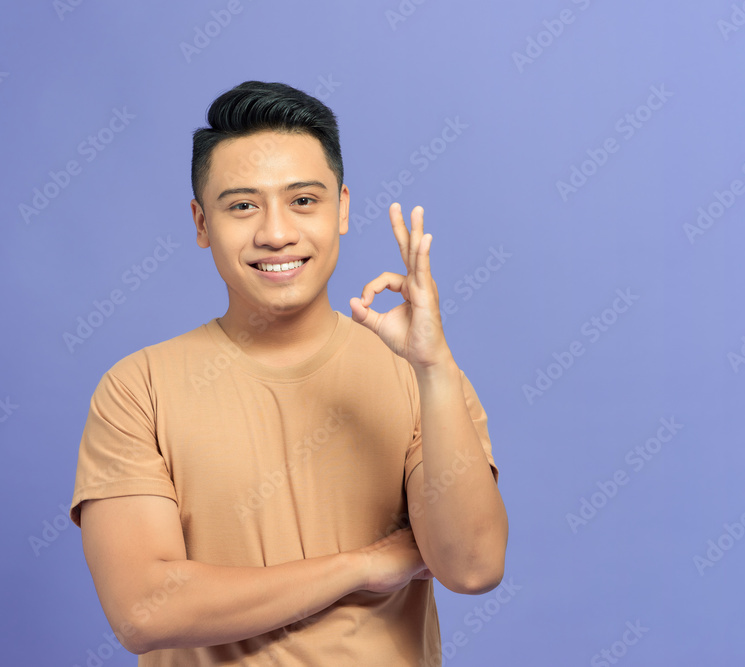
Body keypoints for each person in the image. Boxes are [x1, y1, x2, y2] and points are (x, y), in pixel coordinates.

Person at [69, 80, 508, 666]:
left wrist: (433, 367)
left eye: (303, 200)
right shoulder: (137, 389)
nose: (276, 232)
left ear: (343, 209)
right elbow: (145, 611)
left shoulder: (421, 378)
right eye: (243, 205)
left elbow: (473, 567)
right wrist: (364, 565)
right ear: (201, 224)